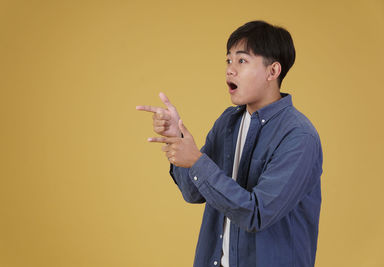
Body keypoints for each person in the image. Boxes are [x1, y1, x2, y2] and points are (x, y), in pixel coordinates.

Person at [136, 20, 323, 267]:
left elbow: (256, 214)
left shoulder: (299, 137)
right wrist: (176, 138)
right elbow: (194, 191)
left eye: (242, 60)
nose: (230, 70)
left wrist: (197, 161)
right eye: (228, 60)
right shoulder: (228, 122)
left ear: (273, 71)